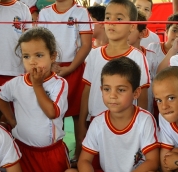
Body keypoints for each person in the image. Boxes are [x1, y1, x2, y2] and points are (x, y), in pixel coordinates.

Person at [58, 57, 159, 172]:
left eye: (120, 90)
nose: (112, 96)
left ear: (136, 92)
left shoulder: (144, 120)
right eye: (107, 89)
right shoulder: (98, 122)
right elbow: (84, 161)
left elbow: (153, 162)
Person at [0, 27, 69, 172]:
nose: (32, 62)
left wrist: (37, 85)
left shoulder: (59, 84)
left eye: (39, 55)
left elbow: (52, 113)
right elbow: (0, 95)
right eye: (26, 56)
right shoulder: (16, 83)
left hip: (51, 154)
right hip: (25, 153)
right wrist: (12, 120)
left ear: (52, 56)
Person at [76, 0, 150, 159]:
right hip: (95, 120)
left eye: (119, 18)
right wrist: (82, 123)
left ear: (132, 26)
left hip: (126, 123)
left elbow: (142, 94)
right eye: (108, 17)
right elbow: (87, 91)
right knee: (93, 163)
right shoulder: (94, 55)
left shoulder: (137, 57)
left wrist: (141, 125)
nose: (111, 23)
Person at [37, 0, 93, 161]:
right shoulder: (45, 13)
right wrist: (49, 65)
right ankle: (57, 155)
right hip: (50, 69)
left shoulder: (81, 12)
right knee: (55, 114)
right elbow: (41, 44)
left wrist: (71, 68)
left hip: (75, 68)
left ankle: (80, 155)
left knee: (78, 115)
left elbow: (86, 45)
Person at [128, 11, 157, 113]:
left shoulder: (152, 56)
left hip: (147, 110)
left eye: (131, 29)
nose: (125, 32)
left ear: (142, 33)